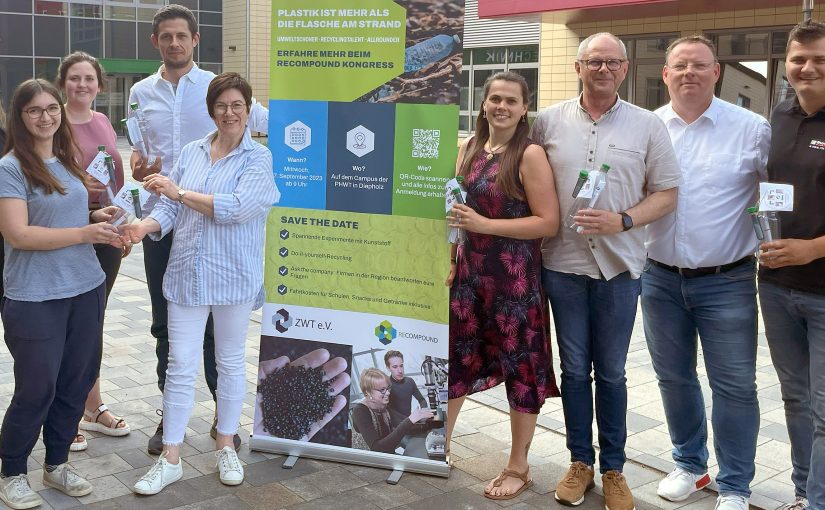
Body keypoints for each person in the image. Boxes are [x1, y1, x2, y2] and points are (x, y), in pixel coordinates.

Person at [530, 32, 681, 510]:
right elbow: (522, 174)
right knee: (574, 370)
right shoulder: (547, 122)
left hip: (620, 268)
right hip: (563, 264)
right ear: (578, 67)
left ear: (625, 68)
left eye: (613, 62)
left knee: (611, 373)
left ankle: (614, 469)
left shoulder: (648, 126)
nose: (603, 69)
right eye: (594, 61)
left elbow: (668, 193)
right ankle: (580, 463)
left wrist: (625, 219)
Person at [122, 72, 278, 495]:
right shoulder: (192, 152)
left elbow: (238, 207)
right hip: (187, 274)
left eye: (237, 106)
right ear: (211, 110)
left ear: (248, 111)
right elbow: (171, 211)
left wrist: (178, 195)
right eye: (221, 105)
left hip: (233, 277)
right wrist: (144, 226)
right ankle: (171, 456)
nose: (229, 113)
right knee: (179, 363)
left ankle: (225, 444)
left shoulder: (258, 159)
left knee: (228, 362)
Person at [642, 35, 770, 510]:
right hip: (658, 276)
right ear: (666, 74)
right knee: (673, 377)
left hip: (728, 279)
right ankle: (691, 466)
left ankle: (735, 485)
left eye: (700, 65)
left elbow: (773, 196)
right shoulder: (648, 127)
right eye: (680, 66)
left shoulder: (752, 128)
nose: (689, 73)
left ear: (717, 72)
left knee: (734, 386)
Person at [0, 79, 123, 510]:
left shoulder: (66, 159)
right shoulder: (11, 168)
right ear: (20, 116)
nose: (46, 116)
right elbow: (18, 233)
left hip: (85, 287)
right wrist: (83, 232)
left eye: (51, 108)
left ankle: (56, 464)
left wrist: (96, 214)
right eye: (35, 110)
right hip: (35, 297)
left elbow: (64, 213)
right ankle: (13, 471)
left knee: (74, 382)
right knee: (37, 387)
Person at [446, 71, 560, 501]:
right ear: (482, 104)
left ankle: (519, 465)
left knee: (520, 368)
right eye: (494, 98)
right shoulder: (470, 148)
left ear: (524, 108)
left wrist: (486, 225)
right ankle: (440, 444)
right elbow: (456, 213)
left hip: (514, 284)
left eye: (511, 101)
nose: (501, 107)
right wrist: (453, 257)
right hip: (470, 278)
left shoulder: (528, 154)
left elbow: (548, 221)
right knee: (457, 358)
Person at [758, 19, 825, 510]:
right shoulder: (778, 117)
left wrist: (813, 247)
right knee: (796, 398)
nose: (808, 68)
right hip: (777, 286)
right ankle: (805, 492)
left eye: (819, 59)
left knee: (824, 410)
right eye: (799, 59)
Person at [57, 51, 131, 452]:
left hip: (106, 235)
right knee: (69, 326)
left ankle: (91, 405)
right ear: (63, 83)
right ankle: (63, 412)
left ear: (99, 85)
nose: (82, 85)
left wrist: (123, 230)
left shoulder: (103, 121)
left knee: (93, 323)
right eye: (74, 78)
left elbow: (116, 183)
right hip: (71, 234)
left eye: (89, 79)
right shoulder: (54, 123)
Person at [351, 368, 434, 454]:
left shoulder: (383, 406)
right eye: (382, 390)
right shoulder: (360, 411)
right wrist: (410, 420)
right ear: (368, 392)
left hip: (387, 456)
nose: (388, 393)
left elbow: (403, 424)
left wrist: (428, 425)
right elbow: (377, 448)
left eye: (388, 388)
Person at [384, 350, 427, 417]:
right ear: (388, 368)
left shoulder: (410, 381)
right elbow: (387, 410)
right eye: (395, 367)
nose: (400, 371)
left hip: (409, 421)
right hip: (395, 425)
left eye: (401, 366)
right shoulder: (386, 385)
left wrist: (424, 412)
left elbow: (422, 400)